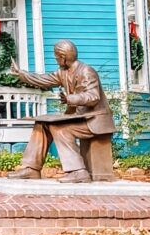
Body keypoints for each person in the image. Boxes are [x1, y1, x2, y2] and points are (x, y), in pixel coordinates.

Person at [8, 39, 115, 183]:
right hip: (82, 118)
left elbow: (93, 97)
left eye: (57, 56)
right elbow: (44, 79)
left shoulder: (87, 71)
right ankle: (31, 169)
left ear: (64, 57)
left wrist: (71, 99)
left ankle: (78, 171)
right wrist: (21, 74)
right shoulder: (63, 72)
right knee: (42, 124)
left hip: (95, 119)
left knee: (61, 129)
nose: (56, 59)